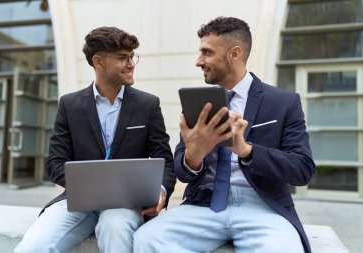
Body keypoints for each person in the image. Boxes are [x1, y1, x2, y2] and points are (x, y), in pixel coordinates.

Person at [134, 16, 315, 253]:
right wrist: (193, 157)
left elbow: (302, 169)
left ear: (235, 54)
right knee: (146, 239)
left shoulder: (283, 103)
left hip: (261, 206)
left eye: (207, 52)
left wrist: (247, 151)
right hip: (203, 205)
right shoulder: (197, 103)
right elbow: (181, 171)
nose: (199, 61)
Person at [14, 26, 176, 253]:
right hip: (79, 202)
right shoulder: (69, 105)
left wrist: (160, 191)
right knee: (33, 247)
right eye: (122, 58)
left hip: (125, 204)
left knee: (115, 229)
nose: (131, 64)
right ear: (98, 62)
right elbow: (55, 163)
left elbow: (165, 161)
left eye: (132, 57)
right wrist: (89, 186)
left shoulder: (147, 105)